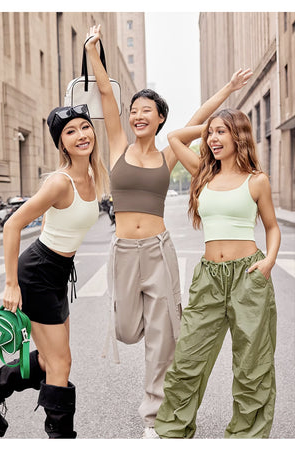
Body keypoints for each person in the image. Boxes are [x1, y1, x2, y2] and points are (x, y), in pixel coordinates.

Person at [85, 24, 253, 438]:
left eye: (147, 110)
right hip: (124, 250)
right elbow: (106, 94)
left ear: (160, 119)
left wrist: (228, 89)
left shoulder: (168, 155)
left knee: (162, 340)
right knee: (126, 329)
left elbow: (203, 118)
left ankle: (154, 419)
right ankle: (153, 327)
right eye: (134, 110)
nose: (137, 115)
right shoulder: (118, 144)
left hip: (159, 250)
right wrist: (93, 50)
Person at [0, 104, 108, 438]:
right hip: (38, 273)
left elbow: (55, 220)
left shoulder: (92, 176)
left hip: (57, 272)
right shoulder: (59, 182)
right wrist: (10, 284)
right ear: (61, 143)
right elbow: (12, 224)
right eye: (71, 131)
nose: (81, 135)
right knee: (61, 363)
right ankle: (60, 438)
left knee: (52, 361)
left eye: (85, 127)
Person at [154, 108, 281, 438]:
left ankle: (246, 437)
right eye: (211, 134)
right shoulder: (202, 173)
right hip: (209, 277)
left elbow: (271, 227)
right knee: (187, 359)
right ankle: (172, 431)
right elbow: (174, 137)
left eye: (221, 132)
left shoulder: (257, 181)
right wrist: (207, 126)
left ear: (238, 136)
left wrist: (268, 262)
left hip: (248, 276)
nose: (212, 139)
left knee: (252, 363)